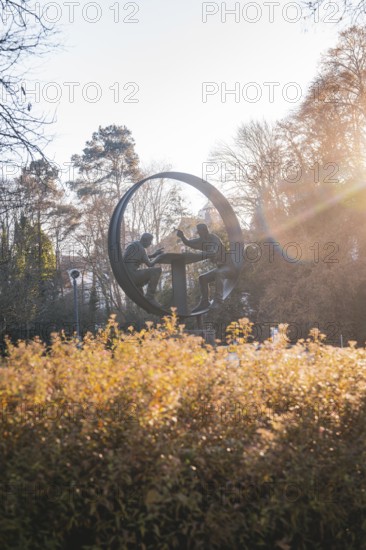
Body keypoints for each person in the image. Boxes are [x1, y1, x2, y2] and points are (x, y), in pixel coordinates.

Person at [176, 223, 234, 312]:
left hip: (230, 267)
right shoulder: (202, 240)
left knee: (219, 273)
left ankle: (218, 300)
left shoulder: (213, 238)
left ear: (205, 230)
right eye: (198, 232)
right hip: (220, 267)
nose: (199, 234)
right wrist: (182, 236)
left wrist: (196, 255)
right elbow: (189, 242)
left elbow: (213, 252)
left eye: (200, 232)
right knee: (202, 278)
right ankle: (204, 302)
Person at [123, 233, 164, 306]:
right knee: (156, 271)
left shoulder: (134, 245)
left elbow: (139, 258)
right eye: (150, 241)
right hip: (133, 276)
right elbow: (150, 264)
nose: (150, 243)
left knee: (142, 300)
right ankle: (150, 297)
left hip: (126, 276)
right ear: (145, 240)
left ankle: (144, 301)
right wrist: (159, 257)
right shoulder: (141, 249)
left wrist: (154, 255)